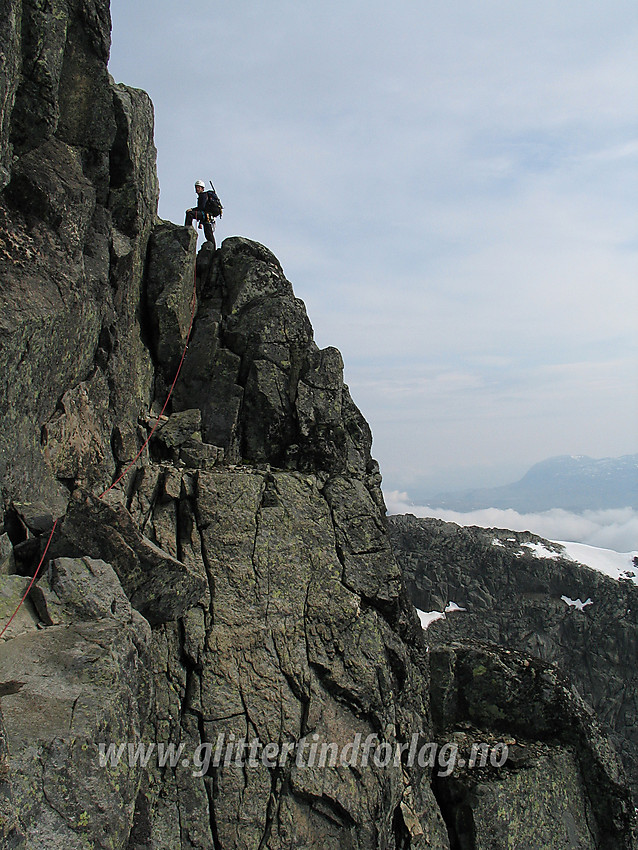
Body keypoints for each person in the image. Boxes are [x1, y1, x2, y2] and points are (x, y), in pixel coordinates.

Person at [185, 180, 222, 247]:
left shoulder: (203, 195)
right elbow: (204, 208)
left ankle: (187, 229)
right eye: (196, 187)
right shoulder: (205, 196)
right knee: (208, 233)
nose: (197, 189)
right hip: (207, 217)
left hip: (205, 215)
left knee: (190, 214)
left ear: (202, 188)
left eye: (199, 187)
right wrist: (201, 223)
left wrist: (192, 209)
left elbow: (201, 207)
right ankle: (213, 248)